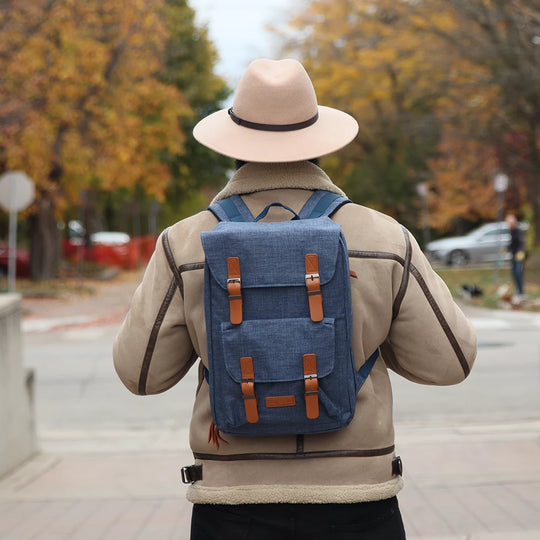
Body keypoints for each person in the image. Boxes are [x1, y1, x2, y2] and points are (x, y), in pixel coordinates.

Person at [113, 58, 477, 540]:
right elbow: (451, 362)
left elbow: (141, 375)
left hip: (232, 508)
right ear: (319, 141)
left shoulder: (183, 243)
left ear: (233, 144)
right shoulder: (384, 237)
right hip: (357, 503)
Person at [505, 213, 526, 298]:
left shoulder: (518, 231)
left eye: (510, 223)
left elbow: (521, 243)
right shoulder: (511, 231)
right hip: (513, 255)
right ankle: (517, 290)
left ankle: (521, 292)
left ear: (513, 222)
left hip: (519, 256)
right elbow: (512, 243)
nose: (509, 225)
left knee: (518, 273)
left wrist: (521, 252)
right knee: (514, 273)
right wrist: (507, 248)